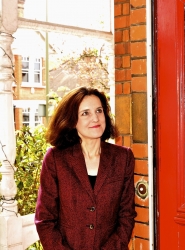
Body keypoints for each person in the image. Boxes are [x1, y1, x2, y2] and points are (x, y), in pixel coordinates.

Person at [35, 87, 136, 249]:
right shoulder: (56, 159)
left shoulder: (123, 158)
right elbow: (45, 220)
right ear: (72, 120)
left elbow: (126, 216)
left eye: (99, 111)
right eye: (85, 113)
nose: (95, 118)